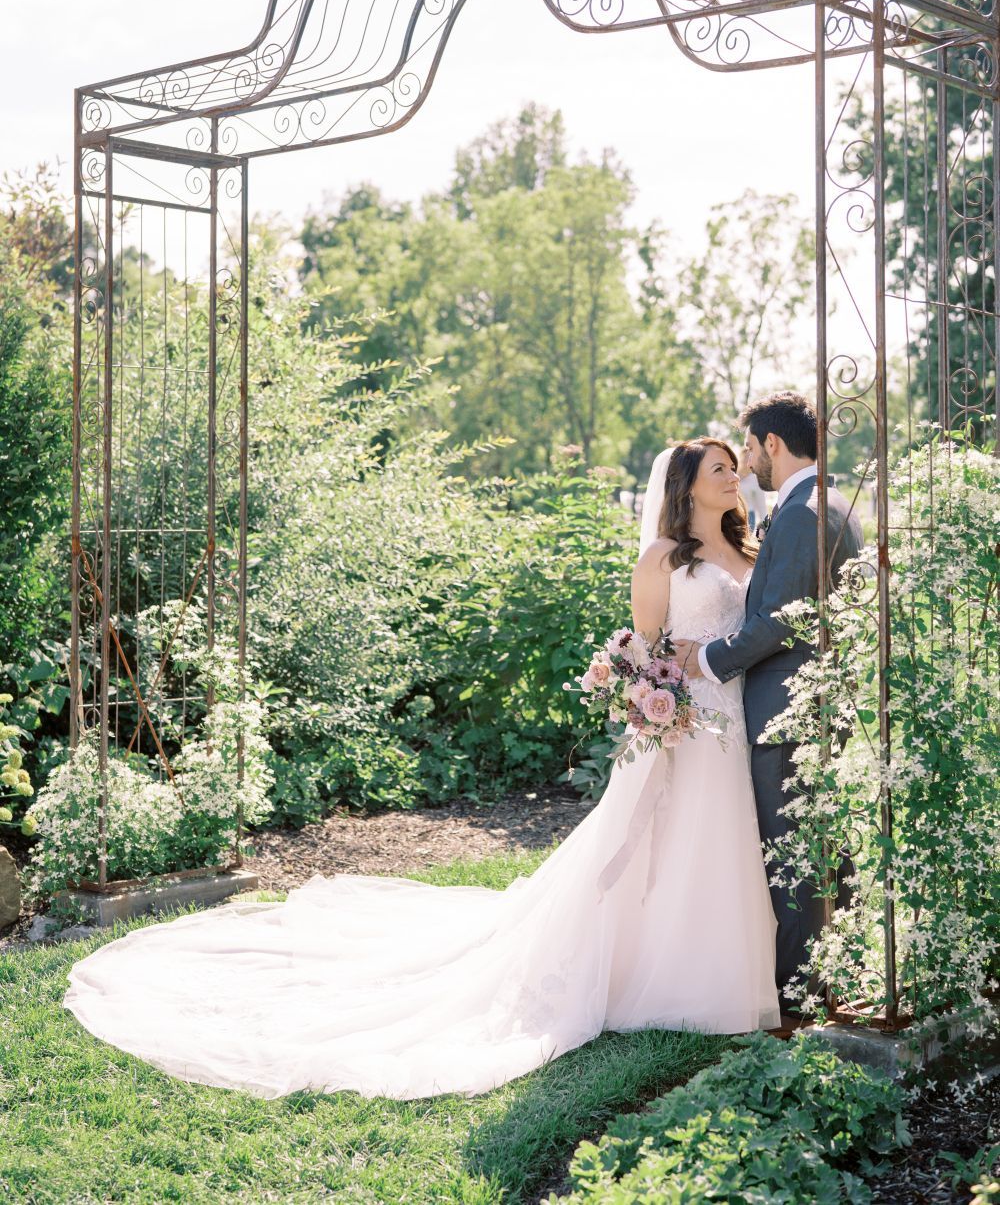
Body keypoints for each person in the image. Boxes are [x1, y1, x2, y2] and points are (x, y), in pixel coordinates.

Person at [63, 438, 780, 1101]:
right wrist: (654, 703)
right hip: (685, 723)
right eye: (717, 466)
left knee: (717, 841)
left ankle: (717, 969)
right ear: (685, 487)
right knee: (661, 844)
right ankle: (665, 980)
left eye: (732, 464)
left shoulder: (754, 549)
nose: (732, 472)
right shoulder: (662, 557)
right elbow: (644, 649)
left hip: (736, 715)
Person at [673, 391, 862, 1017]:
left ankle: (800, 996)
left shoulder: (805, 510)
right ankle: (834, 973)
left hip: (788, 709)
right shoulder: (823, 502)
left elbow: (780, 622)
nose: (747, 460)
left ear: (772, 445)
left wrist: (700, 660)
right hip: (805, 704)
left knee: (793, 857)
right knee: (813, 849)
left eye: (749, 448)